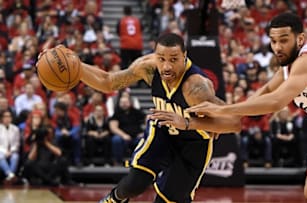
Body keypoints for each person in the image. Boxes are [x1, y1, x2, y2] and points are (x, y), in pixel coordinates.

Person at [38, 33, 241, 202]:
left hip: (193, 143)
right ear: (155, 55)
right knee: (134, 183)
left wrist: (187, 122)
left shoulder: (196, 87)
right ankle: (112, 199)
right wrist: (74, 66)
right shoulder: (148, 68)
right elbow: (108, 81)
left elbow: (234, 122)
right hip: (163, 130)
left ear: (185, 56)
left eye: (173, 59)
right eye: (161, 58)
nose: (167, 66)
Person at [187, 12, 307, 203]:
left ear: (300, 38)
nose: (278, 47)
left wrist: (221, 110)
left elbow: (276, 101)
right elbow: (268, 88)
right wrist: (230, 118)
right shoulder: (288, 66)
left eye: (284, 40)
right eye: (273, 41)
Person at [109, 92, 145, 166]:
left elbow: (148, 120)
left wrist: (144, 133)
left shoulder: (136, 112)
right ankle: (118, 162)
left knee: (145, 139)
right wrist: (124, 135)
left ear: (130, 103)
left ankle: (141, 162)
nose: (124, 104)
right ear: (119, 103)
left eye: (126, 102)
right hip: (122, 137)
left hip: (136, 136)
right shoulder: (116, 114)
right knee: (116, 140)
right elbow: (113, 127)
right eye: (122, 102)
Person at [0, 110, 20, 184]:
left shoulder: (15, 129)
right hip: (1, 150)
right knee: (0, 156)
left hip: (12, 150)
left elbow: (17, 143)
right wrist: (5, 152)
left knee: (15, 157)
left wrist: (11, 151)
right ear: (2, 118)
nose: (7, 118)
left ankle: (9, 177)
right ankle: (11, 175)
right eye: (5, 116)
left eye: (9, 116)